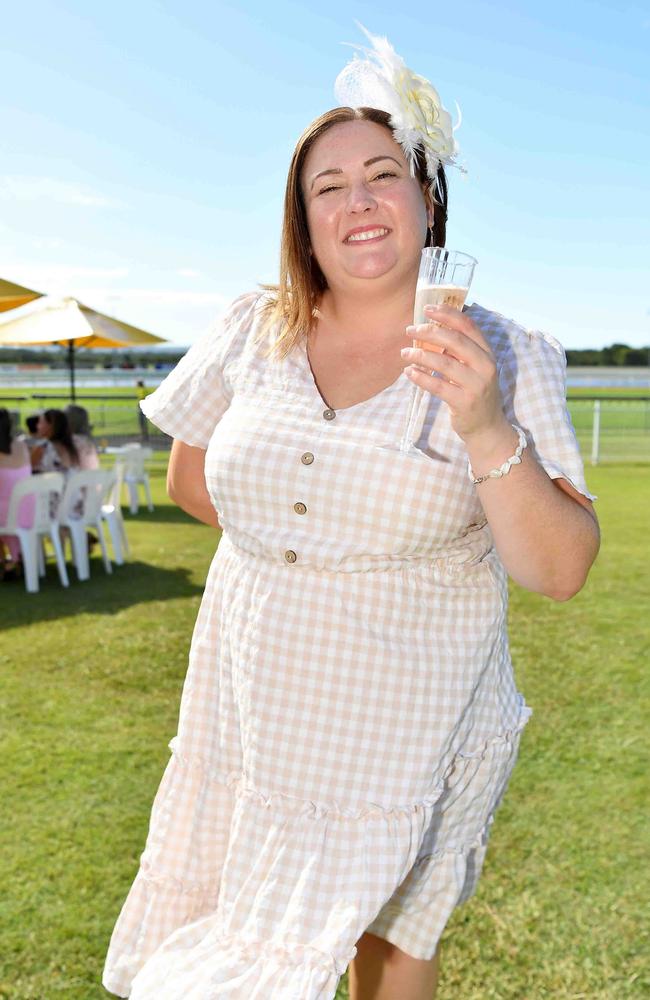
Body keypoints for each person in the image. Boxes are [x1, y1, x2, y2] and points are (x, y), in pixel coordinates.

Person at [103, 27, 599, 1000]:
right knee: (231, 923)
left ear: (427, 197)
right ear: (301, 216)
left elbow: (559, 569)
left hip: (411, 712)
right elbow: (190, 481)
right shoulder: (253, 325)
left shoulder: (507, 349)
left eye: (381, 174)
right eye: (326, 186)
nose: (356, 200)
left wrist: (484, 419)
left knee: (383, 951)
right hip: (253, 697)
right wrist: (307, 563)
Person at [0, 408, 34, 578]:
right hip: (29, 511)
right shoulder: (21, 445)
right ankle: (14, 558)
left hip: (9, 514)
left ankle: (7, 561)